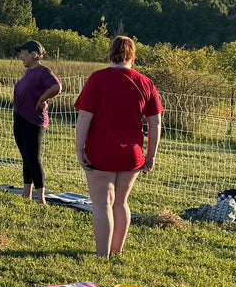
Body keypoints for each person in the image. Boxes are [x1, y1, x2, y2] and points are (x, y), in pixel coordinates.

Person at [74, 35, 162, 258]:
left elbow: (84, 117)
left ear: (110, 53)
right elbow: (155, 122)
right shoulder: (145, 82)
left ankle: (102, 255)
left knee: (102, 203)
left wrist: (79, 149)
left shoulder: (97, 79)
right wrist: (150, 155)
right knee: (121, 202)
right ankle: (117, 251)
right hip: (131, 155)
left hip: (100, 152)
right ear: (133, 56)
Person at [11, 40, 61, 203]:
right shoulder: (28, 72)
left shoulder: (43, 71)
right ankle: (26, 194)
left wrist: (42, 99)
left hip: (33, 121)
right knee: (26, 158)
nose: (20, 57)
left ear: (33, 54)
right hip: (20, 120)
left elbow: (56, 87)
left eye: (23, 53)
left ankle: (41, 198)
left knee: (34, 159)